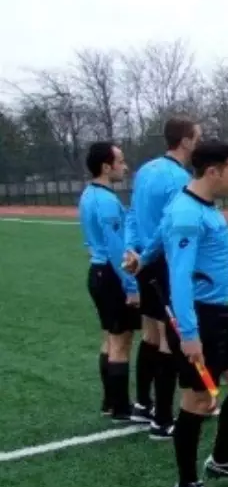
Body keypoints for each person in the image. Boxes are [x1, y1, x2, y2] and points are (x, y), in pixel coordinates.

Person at [157, 140, 228, 487]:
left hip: (218, 314)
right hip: (197, 317)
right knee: (198, 400)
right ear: (213, 172)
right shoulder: (188, 212)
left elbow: (159, 237)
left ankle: (220, 459)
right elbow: (180, 279)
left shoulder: (200, 206)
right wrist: (188, 334)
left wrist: (141, 255)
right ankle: (186, 484)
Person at [123, 116, 200, 440]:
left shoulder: (146, 170)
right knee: (169, 339)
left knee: (151, 334)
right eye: (197, 137)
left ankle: (143, 405)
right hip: (162, 261)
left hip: (144, 261)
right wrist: (150, 254)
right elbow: (168, 225)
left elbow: (132, 213)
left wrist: (134, 251)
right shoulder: (178, 177)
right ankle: (164, 419)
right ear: (184, 140)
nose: (198, 143)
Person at [79, 141, 141, 422]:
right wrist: (131, 285)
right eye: (120, 161)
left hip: (99, 272)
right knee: (121, 342)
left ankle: (109, 402)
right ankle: (120, 408)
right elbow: (117, 248)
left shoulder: (89, 194)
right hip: (111, 276)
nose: (125, 167)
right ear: (106, 166)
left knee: (110, 339)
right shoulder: (104, 201)